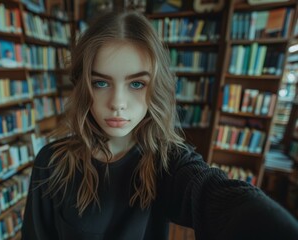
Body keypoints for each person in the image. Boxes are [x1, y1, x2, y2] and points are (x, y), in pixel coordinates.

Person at [21, 11, 298, 240]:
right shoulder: (51, 162)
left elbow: (212, 194)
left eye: (137, 84)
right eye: (101, 83)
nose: (118, 102)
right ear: (83, 86)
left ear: (155, 88)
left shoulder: (167, 161)